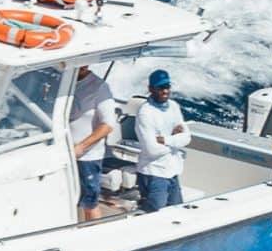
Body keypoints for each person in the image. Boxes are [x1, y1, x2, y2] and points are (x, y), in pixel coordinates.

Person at [132, 69, 190, 212]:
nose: (165, 91)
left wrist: (165, 139)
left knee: (177, 212)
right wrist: (175, 141)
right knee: (155, 217)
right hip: (154, 173)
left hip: (173, 171)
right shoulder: (145, 112)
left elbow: (187, 137)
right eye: (160, 88)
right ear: (151, 89)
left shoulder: (174, 106)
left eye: (167, 87)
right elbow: (152, 150)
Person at [67, 64, 119, 221]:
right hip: (62, 152)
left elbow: (108, 125)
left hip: (86, 157)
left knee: (89, 202)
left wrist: (81, 147)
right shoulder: (64, 82)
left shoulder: (100, 87)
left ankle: (92, 235)